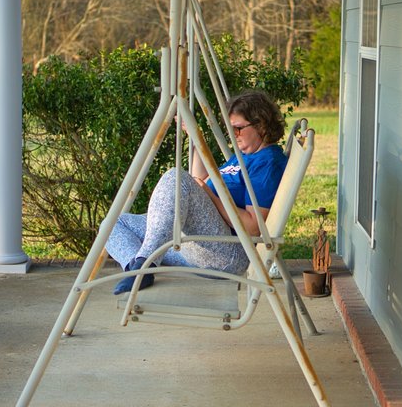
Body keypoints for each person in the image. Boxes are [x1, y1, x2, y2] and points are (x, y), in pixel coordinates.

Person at [106, 89, 288, 294]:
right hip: (198, 245)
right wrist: (195, 140)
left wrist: (209, 195)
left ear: (261, 125)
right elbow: (200, 182)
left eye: (238, 128)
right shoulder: (245, 155)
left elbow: (254, 227)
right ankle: (139, 266)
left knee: (176, 177)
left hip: (228, 253)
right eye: (230, 129)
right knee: (113, 224)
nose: (233, 135)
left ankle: (143, 266)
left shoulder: (267, 163)